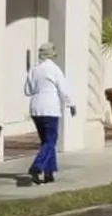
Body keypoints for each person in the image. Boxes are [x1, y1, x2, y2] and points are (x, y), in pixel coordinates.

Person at [24, 43, 75, 184]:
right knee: (50, 141)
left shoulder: (34, 69)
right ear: (52, 55)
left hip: (35, 107)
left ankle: (49, 173)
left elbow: (28, 90)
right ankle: (37, 166)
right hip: (50, 107)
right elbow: (63, 89)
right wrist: (71, 104)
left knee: (46, 141)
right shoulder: (54, 69)